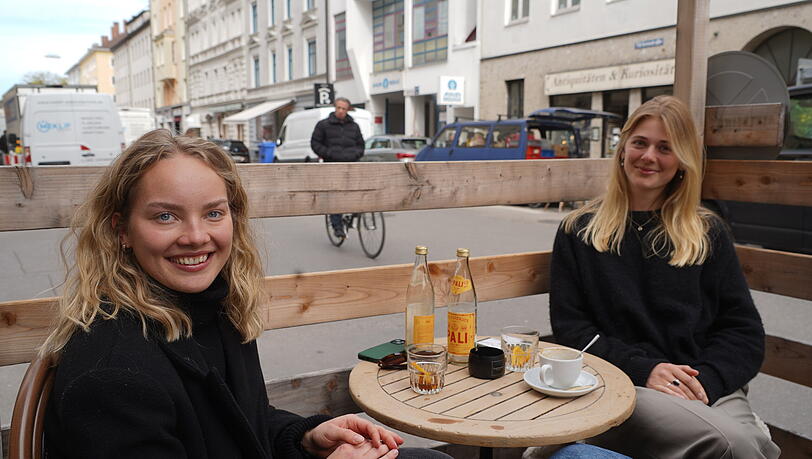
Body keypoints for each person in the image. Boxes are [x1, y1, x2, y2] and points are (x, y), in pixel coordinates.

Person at [41, 129, 450, 459]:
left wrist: (306, 436)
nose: (197, 236)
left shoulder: (213, 310)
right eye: (165, 216)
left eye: (214, 213)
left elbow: (241, 427)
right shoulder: (112, 375)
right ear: (121, 230)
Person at [549, 96, 780, 458]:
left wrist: (703, 381)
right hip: (625, 382)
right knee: (735, 446)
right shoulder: (580, 231)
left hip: (704, 383)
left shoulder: (707, 232)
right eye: (640, 143)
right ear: (623, 148)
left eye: (665, 148)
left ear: (682, 161)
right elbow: (572, 328)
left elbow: (743, 331)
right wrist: (645, 369)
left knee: (747, 446)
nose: (649, 156)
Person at [310, 97, 365, 239]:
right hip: (332, 166)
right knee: (335, 196)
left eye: (344, 109)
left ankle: (354, 213)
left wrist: (356, 154)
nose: (341, 111)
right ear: (335, 108)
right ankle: (337, 226)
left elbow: (361, 145)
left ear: (348, 110)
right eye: (339, 108)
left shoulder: (354, 126)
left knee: (357, 191)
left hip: (351, 166)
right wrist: (329, 154)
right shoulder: (323, 125)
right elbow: (315, 143)